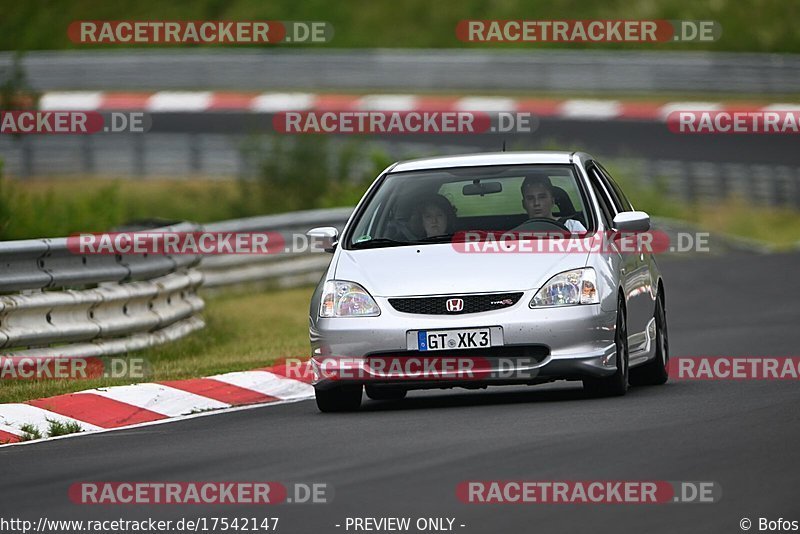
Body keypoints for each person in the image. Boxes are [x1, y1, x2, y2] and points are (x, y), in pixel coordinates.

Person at [520, 175, 587, 233]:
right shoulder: (517, 232)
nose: (536, 203)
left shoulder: (572, 226)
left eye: (542, 197)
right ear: (524, 204)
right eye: (530, 198)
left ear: (552, 201)